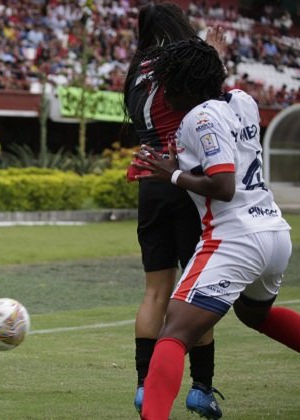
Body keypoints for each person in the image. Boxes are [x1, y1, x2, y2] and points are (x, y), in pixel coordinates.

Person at [133, 37, 300, 420]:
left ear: (184, 85)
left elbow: (223, 186)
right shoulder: (243, 100)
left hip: (235, 236)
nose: (163, 96)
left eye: (167, 86)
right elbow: (229, 156)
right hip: (273, 230)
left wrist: (172, 174)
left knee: (174, 333)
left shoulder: (199, 117)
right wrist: (177, 161)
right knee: (255, 315)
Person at [122, 3, 221, 417]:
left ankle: (145, 386)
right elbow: (213, 101)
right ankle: (201, 387)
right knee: (196, 292)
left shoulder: (135, 70)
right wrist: (214, 53)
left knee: (155, 291)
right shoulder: (184, 60)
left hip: (148, 182)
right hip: (184, 181)